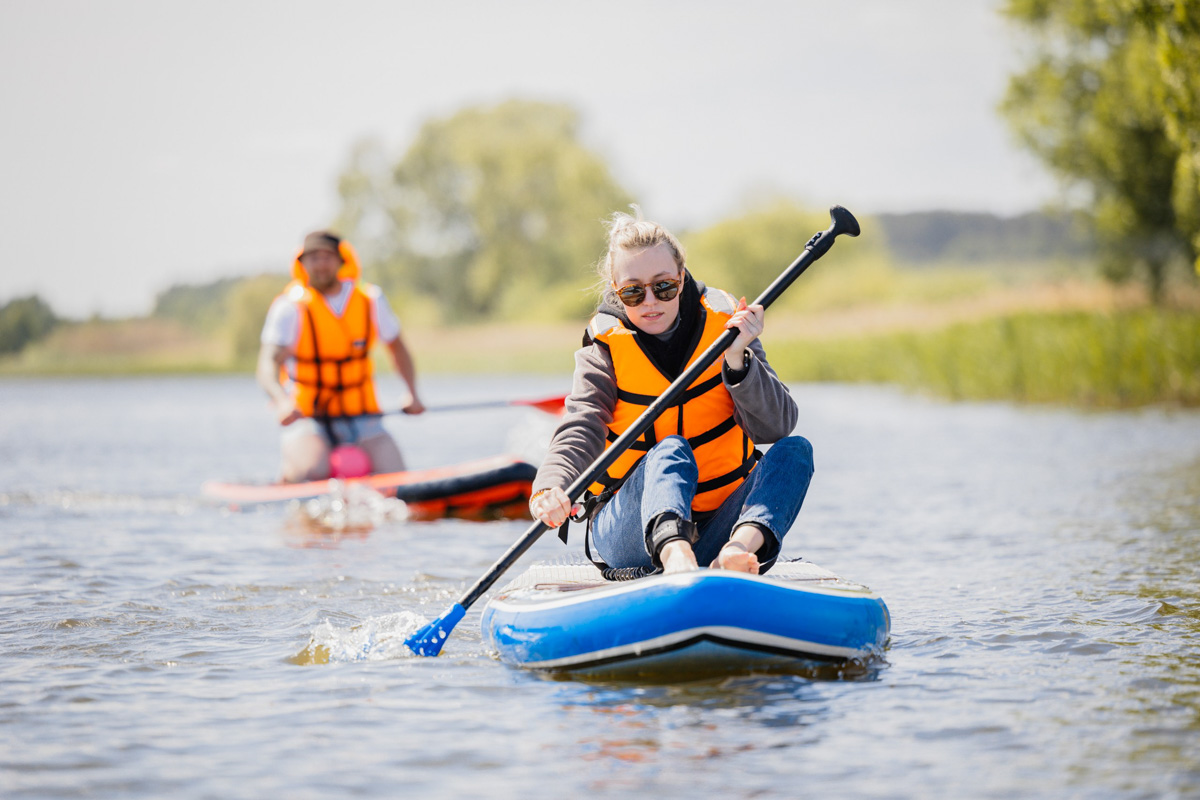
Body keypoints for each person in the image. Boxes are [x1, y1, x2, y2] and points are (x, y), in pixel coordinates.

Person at [529, 208, 814, 576]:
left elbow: (776, 427)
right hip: (630, 535)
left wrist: (739, 358)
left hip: (720, 524)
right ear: (617, 292)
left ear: (681, 278)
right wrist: (550, 486)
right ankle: (676, 557)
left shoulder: (729, 328)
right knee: (670, 449)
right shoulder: (604, 346)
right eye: (633, 292)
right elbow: (582, 424)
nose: (650, 301)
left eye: (663, 286)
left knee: (796, 451)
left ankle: (738, 552)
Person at [256, 230, 425, 483]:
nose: (321, 264)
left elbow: (397, 348)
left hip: (363, 417)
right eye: (313, 258)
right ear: (302, 264)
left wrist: (412, 393)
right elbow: (267, 365)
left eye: (327, 257)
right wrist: (281, 401)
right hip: (308, 417)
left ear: (341, 261)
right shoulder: (289, 307)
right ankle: (289, 479)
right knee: (311, 471)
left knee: (397, 475)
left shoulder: (370, 300)